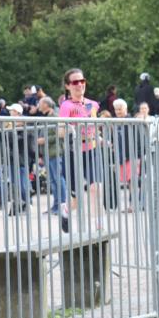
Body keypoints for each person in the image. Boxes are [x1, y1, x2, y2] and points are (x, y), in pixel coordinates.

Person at [59, 68, 103, 231]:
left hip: (91, 151)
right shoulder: (66, 106)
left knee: (95, 187)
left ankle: (98, 226)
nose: (80, 85)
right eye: (75, 82)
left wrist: (98, 136)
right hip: (74, 153)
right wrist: (72, 129)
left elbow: (95, 126)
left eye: (82, 81)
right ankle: (65, 210)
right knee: (76, 199)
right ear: (68, 86)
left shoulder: (93, 104)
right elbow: (60, 131)